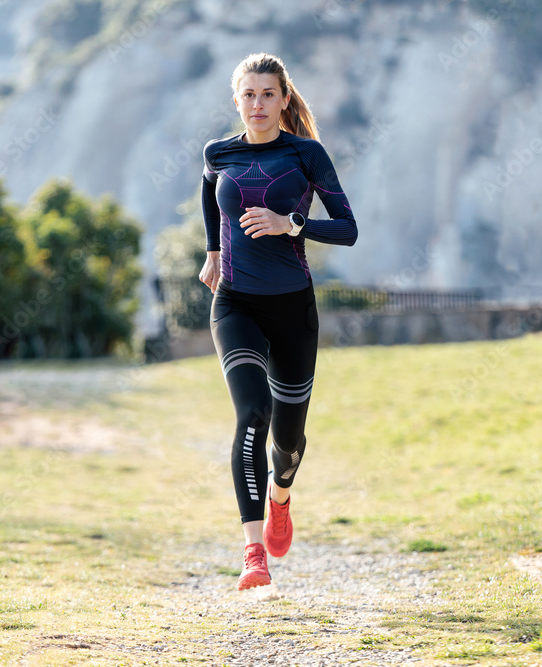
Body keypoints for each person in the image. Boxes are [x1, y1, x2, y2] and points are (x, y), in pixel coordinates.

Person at [198, 52, 358, 590]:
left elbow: (347, 228)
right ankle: (253, 552)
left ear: (284, 99)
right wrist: (213, 253)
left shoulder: (305, 154)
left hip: (293, 308)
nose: (258, 104)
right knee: (252, 414)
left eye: (268, 94)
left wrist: (289, 223)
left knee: (288, 443)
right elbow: (209, 194)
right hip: (236, 304)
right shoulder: (218, 153)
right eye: (249, 94)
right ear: (236, 100)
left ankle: (281, 494)